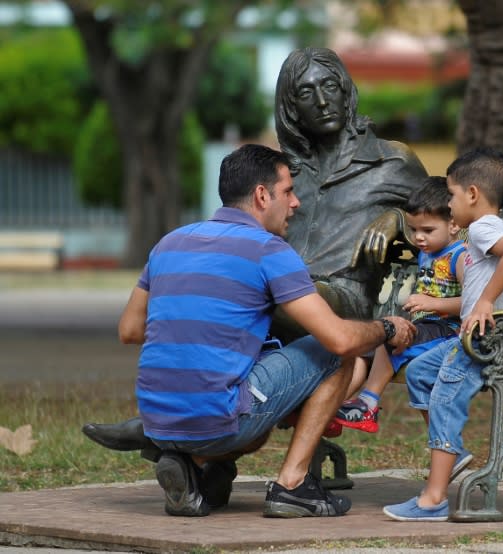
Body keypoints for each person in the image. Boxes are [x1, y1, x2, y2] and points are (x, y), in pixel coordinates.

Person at [91, 144, 416, 519]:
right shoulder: (268, 249)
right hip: (219, 417)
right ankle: (292, 486)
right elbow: (338, 338)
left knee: (250, 387)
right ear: (263, 195)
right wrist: (387, 327)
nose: (295, 203)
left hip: (156, 419)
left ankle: (192, 464)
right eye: (289, 191)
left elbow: (130, 330)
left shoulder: (169, 243)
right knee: (337, 356)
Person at [382, 147, 503, 522]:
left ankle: (433, 499)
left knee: (445, 398)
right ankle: (454, 454)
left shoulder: (482, 227)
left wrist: (484, 303)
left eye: (451, 194)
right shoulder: (487, 228)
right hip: (476, 337)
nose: (448, 203)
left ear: (473, 195)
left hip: (481, 340)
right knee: (418, 372)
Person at [272, 46, 428, 342]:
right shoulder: (284, 173)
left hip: (346, 299)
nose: (321, 101)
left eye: (329, 86)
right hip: (284, 288)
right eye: (306, 93)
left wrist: (398, 219)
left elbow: (453, 223)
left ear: (346, 92)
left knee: (266, 293)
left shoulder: (392, 160)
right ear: (292, 110)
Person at [334, 176, 466, 434]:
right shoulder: (427, 252)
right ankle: (332, 409)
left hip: (449, 332)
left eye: (427, 231)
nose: (418, 238)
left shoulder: (460, 257)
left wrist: (433, 302)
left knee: (390, 335)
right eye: (414, 229)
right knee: (366, 345)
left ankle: (368, 402)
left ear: (453, 225)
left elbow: (474, 303)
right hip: (427, 327)